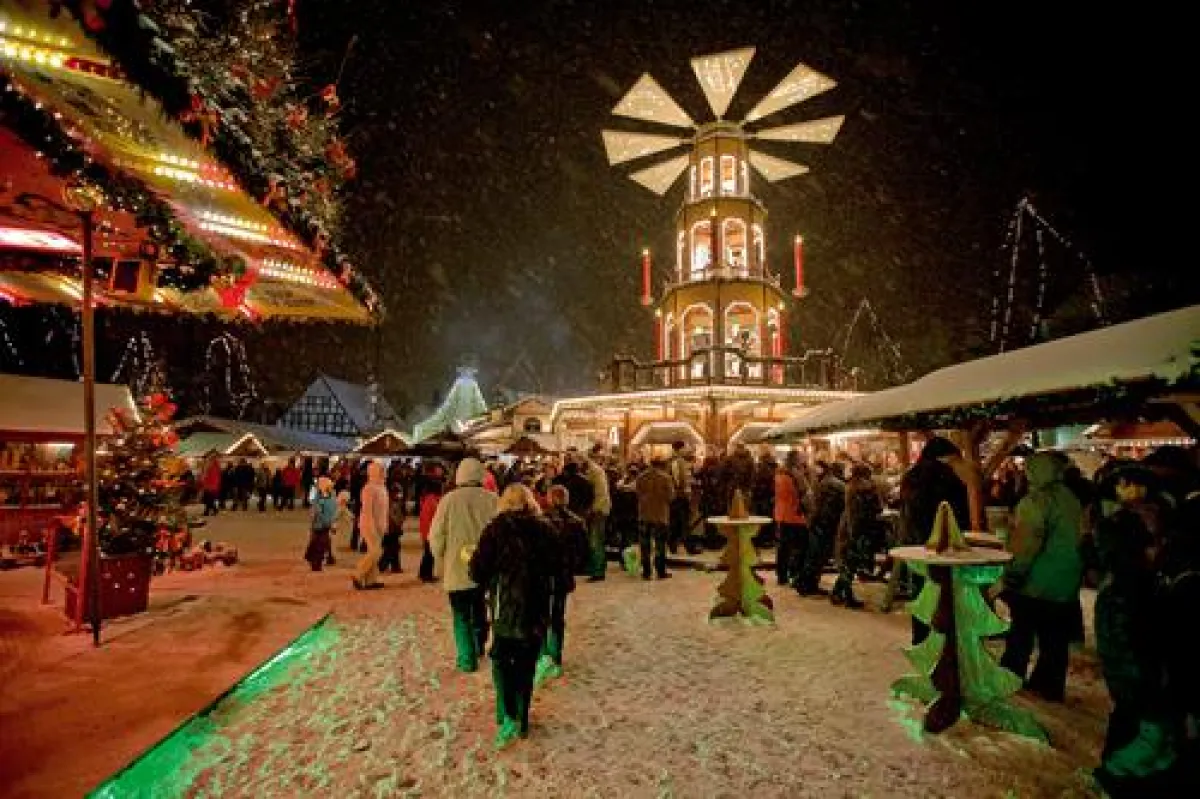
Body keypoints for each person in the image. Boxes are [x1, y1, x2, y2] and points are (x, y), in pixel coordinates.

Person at [468, 484, 557, 750]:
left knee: (502, 659)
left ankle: (507, 712)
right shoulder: (545, 530)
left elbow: (477, 570)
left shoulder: (496, 530)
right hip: (536, 605)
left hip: (505, 605)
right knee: (526, 662)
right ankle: (522, 714)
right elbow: (558, 565)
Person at [998, 452, 1084, 702]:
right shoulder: (1071, 498)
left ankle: (1009, 679)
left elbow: (1027, 544)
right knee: (1055, 639)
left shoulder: (1036, 501)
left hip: (1037, 582)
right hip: (1066, 582)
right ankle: (1049, 685)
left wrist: (1013, 574)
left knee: (1021, 633)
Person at [430, 457, 499, 672]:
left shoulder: (448, 500)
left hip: (457, 565)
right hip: (486, 565)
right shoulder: (492, 499)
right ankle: (479, 645)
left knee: (461, 614)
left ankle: (467, 658)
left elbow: (436, 534)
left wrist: (439, 555)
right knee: (480, 607)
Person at [537, 484, 588, 685]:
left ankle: (542, 656)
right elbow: (583, 553)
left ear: (549, 499)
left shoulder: (540, 521)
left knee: (540, 617)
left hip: (542, 576)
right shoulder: (576, 522)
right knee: (557, 617)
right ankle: (555, 656)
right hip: (562, 575)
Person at [831, 463, 882, 609]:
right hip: (859, 530)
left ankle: (839, 593)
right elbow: (878, 507)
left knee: (848, 564)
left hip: (847, 528)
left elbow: (851, 513)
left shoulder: (850, 487)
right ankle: (846, 597)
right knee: (851, 564)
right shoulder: (869, 488)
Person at [634, 457, 675, 580]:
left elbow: (637, 493)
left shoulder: (641, 477)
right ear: (662, 465)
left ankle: (646, 572)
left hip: (644, 514)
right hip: (660, 515)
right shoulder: (666, 478)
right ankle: (660, 571)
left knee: (645, 545)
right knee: (660, 545)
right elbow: (671, 496)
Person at [774, 450, 808, 587]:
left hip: (781, 513)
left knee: (783, 547)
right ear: (796, 460)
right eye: (801, 458)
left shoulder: (779, 474)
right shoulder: (795, 474)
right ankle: (795, 573)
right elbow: (802, 493)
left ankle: (782, 575)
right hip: (794, 515)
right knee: (800, 547)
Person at [353, 461, 388, 590]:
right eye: (381, 471)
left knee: (374, 551)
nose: (384, 473)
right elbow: (367, 510)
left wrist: (385, 525)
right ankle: (358, 573)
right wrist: (371, 526)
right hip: (369, 525)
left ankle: (371, 580)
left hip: (379, 525)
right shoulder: (369, 488)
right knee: (376, 552)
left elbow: (384, 509)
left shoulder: (382, 487)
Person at [584, 446, 612, 580]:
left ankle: (598, 571)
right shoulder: (596, 471)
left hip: (598, 510)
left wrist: (592, 509)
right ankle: (598, 568)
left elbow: (599, 494)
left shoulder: (594, 471)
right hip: (600, 509)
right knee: (597, 540)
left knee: (596, 541)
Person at [668, 441, 698, 555]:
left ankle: (673, 545)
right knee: (683, 522)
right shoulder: (677, 461)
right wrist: (684, 492)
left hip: (677, 496)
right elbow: (678, 480)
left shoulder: (676, 461)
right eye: (684, 448)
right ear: (679, 449)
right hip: (679, 497)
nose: (685, 450)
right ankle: (688, 547)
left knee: (676, 522)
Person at [418, 468, 445, 583]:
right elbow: (431, 516)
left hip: (428, 529)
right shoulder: (431, 500)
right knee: (430, 553)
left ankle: (424, 572)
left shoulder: (431, 499)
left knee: (429, 553)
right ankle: (426, 574)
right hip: (429, 530)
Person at [305, 477, 337, 572]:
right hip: (320, 525)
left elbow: (332, 512)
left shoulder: (330, 497)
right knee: (319, 545)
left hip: (325, 524)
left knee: (321, 544)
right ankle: (316, 563)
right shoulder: (319, 499)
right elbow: (316, 512)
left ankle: (316, 559)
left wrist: (333, 523)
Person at [378, 481, 405, 574]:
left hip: (393, 529)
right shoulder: (389, 502)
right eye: (398, 492)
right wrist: (397, 524)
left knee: (395, 547)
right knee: (391, 549)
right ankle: (382, 565)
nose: (399, 495)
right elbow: (392, 517)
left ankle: (395, 566)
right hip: (390, 529)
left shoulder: (395, 502)